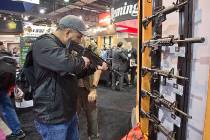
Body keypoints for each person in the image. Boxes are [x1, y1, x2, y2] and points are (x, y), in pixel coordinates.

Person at [32, 15, 107, 140]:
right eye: (79, 36)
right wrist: (83, 60)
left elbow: (75, 73)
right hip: (53, 117)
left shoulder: (62, 47)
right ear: (67, 32)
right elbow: (68, 64)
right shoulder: (44, 43)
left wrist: (95, 66)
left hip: (68, 112)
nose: (80, 40)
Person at [0, 42, 26, 139]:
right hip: (4, 87)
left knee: (7, 108)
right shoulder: (8, 56)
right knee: (8, 108)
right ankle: (17, 130)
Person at [77, 42, 102, 140]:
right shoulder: (65, 46)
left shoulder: (91, 46)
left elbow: (98, 67)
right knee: (73, 118)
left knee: (92, 116)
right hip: (72, 89)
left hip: (89, 88)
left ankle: (93, 137)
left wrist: (94, 88)